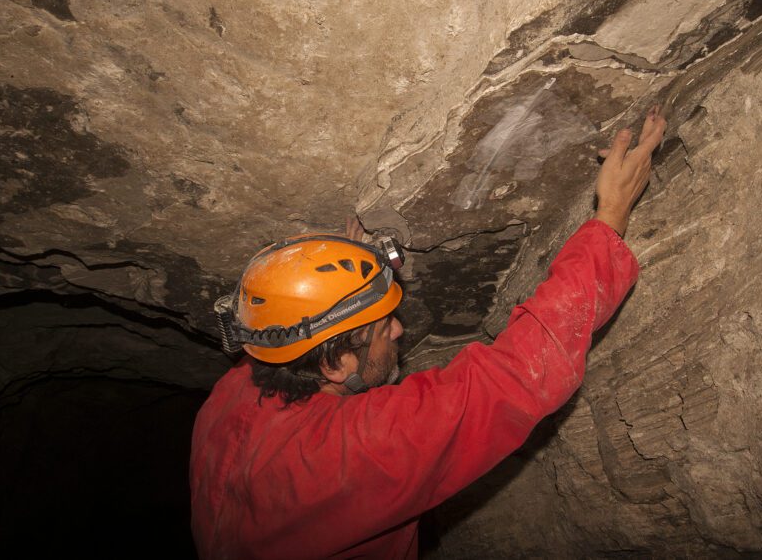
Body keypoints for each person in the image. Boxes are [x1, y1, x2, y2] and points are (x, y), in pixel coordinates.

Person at [190, 108, 668, 559]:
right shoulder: (356, 455)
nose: (398, 329)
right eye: (382, 327)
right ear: (333, 364)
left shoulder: (229, 397)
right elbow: (517, 377)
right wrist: (610, 217)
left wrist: (347, 275)